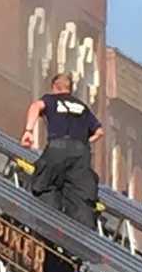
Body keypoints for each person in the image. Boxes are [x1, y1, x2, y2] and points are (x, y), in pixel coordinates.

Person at [20, 73, 105, 228]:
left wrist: (28, 131)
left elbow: (35, 106)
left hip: (58, 147)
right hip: (81, 154)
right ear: (70, 89)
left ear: (55, 87)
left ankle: (48, 226)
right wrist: (84, 142)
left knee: (45, 183)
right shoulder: (82, 106)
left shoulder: (51, 100)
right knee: (80, 197)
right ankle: (81, 239)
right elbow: (99, 132)